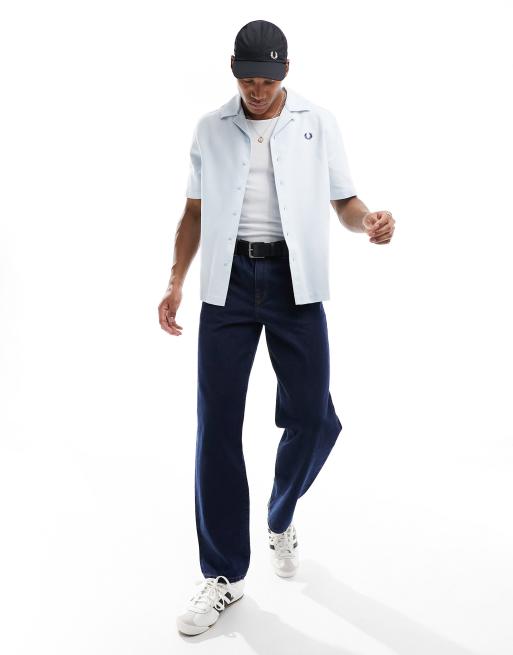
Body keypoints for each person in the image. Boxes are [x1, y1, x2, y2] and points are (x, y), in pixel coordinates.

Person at [158, 20, 396, 636]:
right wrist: (176, 280)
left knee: (314, 416)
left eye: (266, 80)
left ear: (285, 71)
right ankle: (223, 575)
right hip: (228, 284)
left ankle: (280, 514)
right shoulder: (210, 128)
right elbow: (193, 212)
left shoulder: (318, 122)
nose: (256, 91)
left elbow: (344, 202)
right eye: (247, 79)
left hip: (295, 282)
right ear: (233, 71)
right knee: (217, 428)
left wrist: (369, 220)